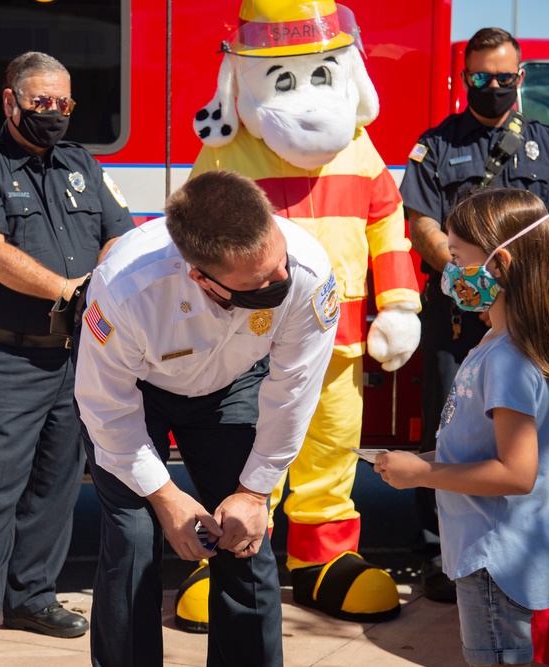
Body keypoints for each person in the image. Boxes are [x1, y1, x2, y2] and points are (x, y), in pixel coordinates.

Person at [182, 0, 419, 628]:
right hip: (249, 343)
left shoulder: (362, 152)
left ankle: (324, 558)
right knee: (244, 447)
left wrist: (399, 305)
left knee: (329, 447)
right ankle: (228, 556)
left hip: (338, 342)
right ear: (244, 82)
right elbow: (194, 236)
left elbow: (387, 229)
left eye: (320, 75)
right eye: (284, 77)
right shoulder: (228, 157)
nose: (309, 97)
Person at [74, 169, 338, 667]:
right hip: (138, 395)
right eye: (258, 283)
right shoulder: (126, 288)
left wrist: (256, 492)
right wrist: (165, 497)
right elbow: (106, 410)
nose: (279, 279)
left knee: (245, 538)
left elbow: (293, 393)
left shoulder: (308, 271)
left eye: (277, 262)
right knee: (135, 540)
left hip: (231, 384)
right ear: (201, 277)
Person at [0, 51, 134, 667]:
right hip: (2, 357)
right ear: (10, 102)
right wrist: (68, 291)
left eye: (64, 104)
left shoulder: (84, 164)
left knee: (55, 486)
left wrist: (101, 280)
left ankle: (31, 597)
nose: (53, 115)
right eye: (41, 103)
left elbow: (119, 232)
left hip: (73, 358)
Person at [399, 26, 549, 602]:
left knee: (520, 432)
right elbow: (423, 223)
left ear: (520, 78)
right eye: (481, 78)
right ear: (465, 80)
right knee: (450, 420)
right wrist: (460, 277)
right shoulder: (435, 145)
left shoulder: (547, 144)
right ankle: (441, 551)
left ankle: (521, 545)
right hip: (457, 318)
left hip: (522, 313)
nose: (494, 87)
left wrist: (517, 274)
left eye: (504, 78)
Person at [374, 187, 549, 667]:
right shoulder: (495, 340)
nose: (450, 269)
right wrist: (419, 463)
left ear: (500, 264)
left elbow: (516, 473)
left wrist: (424, 475)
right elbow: (478, 447)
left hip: (494, 560)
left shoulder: (508, 359)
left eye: (458, 255)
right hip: (487, 551)